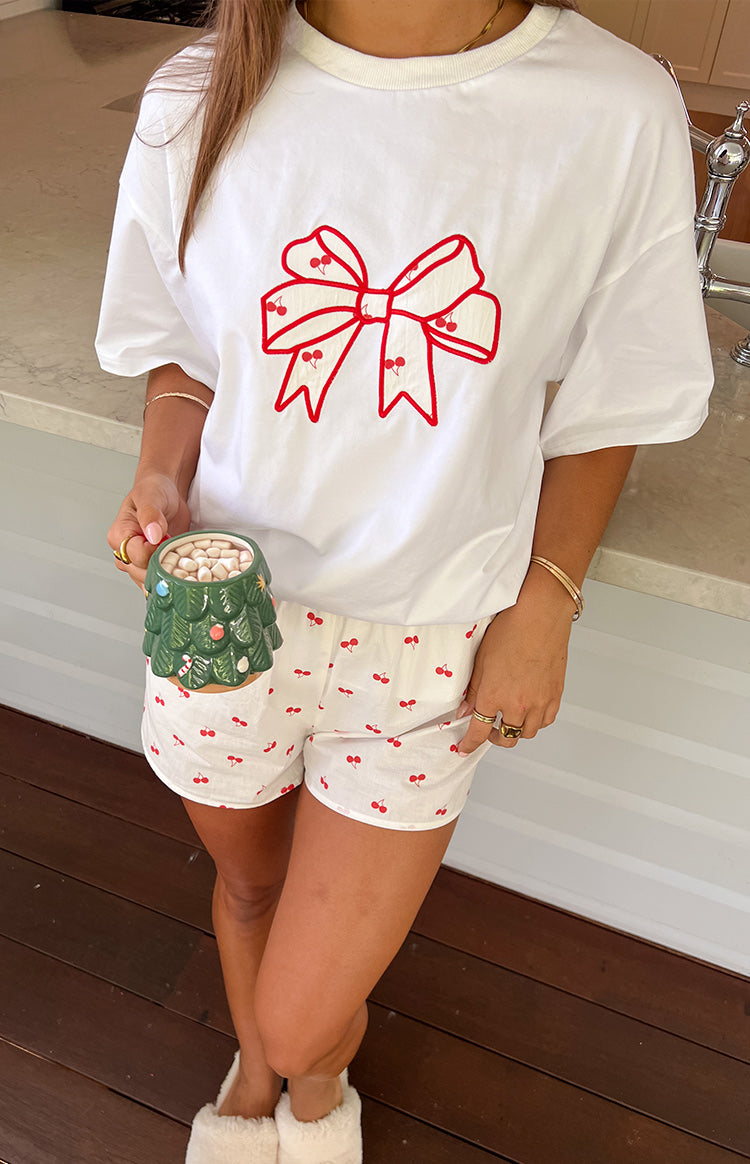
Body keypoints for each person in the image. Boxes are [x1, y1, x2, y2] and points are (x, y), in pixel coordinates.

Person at [94, 1, 714, 1160]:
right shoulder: (196, 91)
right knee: (247, 890)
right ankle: (262, 1087)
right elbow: (184, 348)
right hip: (226, 616)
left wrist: (546, 601)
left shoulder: (615, 106)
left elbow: (616, 391)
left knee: (304, 1009)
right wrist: (160, 477)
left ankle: (305, 1065)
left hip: (427, 644)